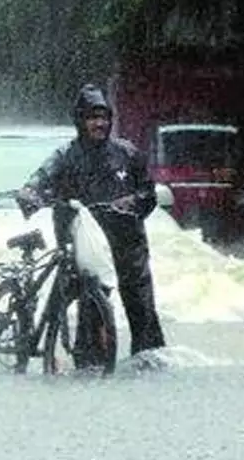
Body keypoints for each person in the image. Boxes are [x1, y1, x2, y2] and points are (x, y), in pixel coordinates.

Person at [17, 83, 167, 363]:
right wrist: (30, 192)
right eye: (92, 117)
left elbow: (149, 194)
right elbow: (41, 178)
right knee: (91, 300)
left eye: (104, 117)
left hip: (127, 242)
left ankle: (150, 360)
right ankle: (89, 364)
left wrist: (132, 202)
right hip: (84, 242)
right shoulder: (66, 156)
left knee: (142, 305)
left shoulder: (128, 154)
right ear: (80, 121)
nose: (100, 124)